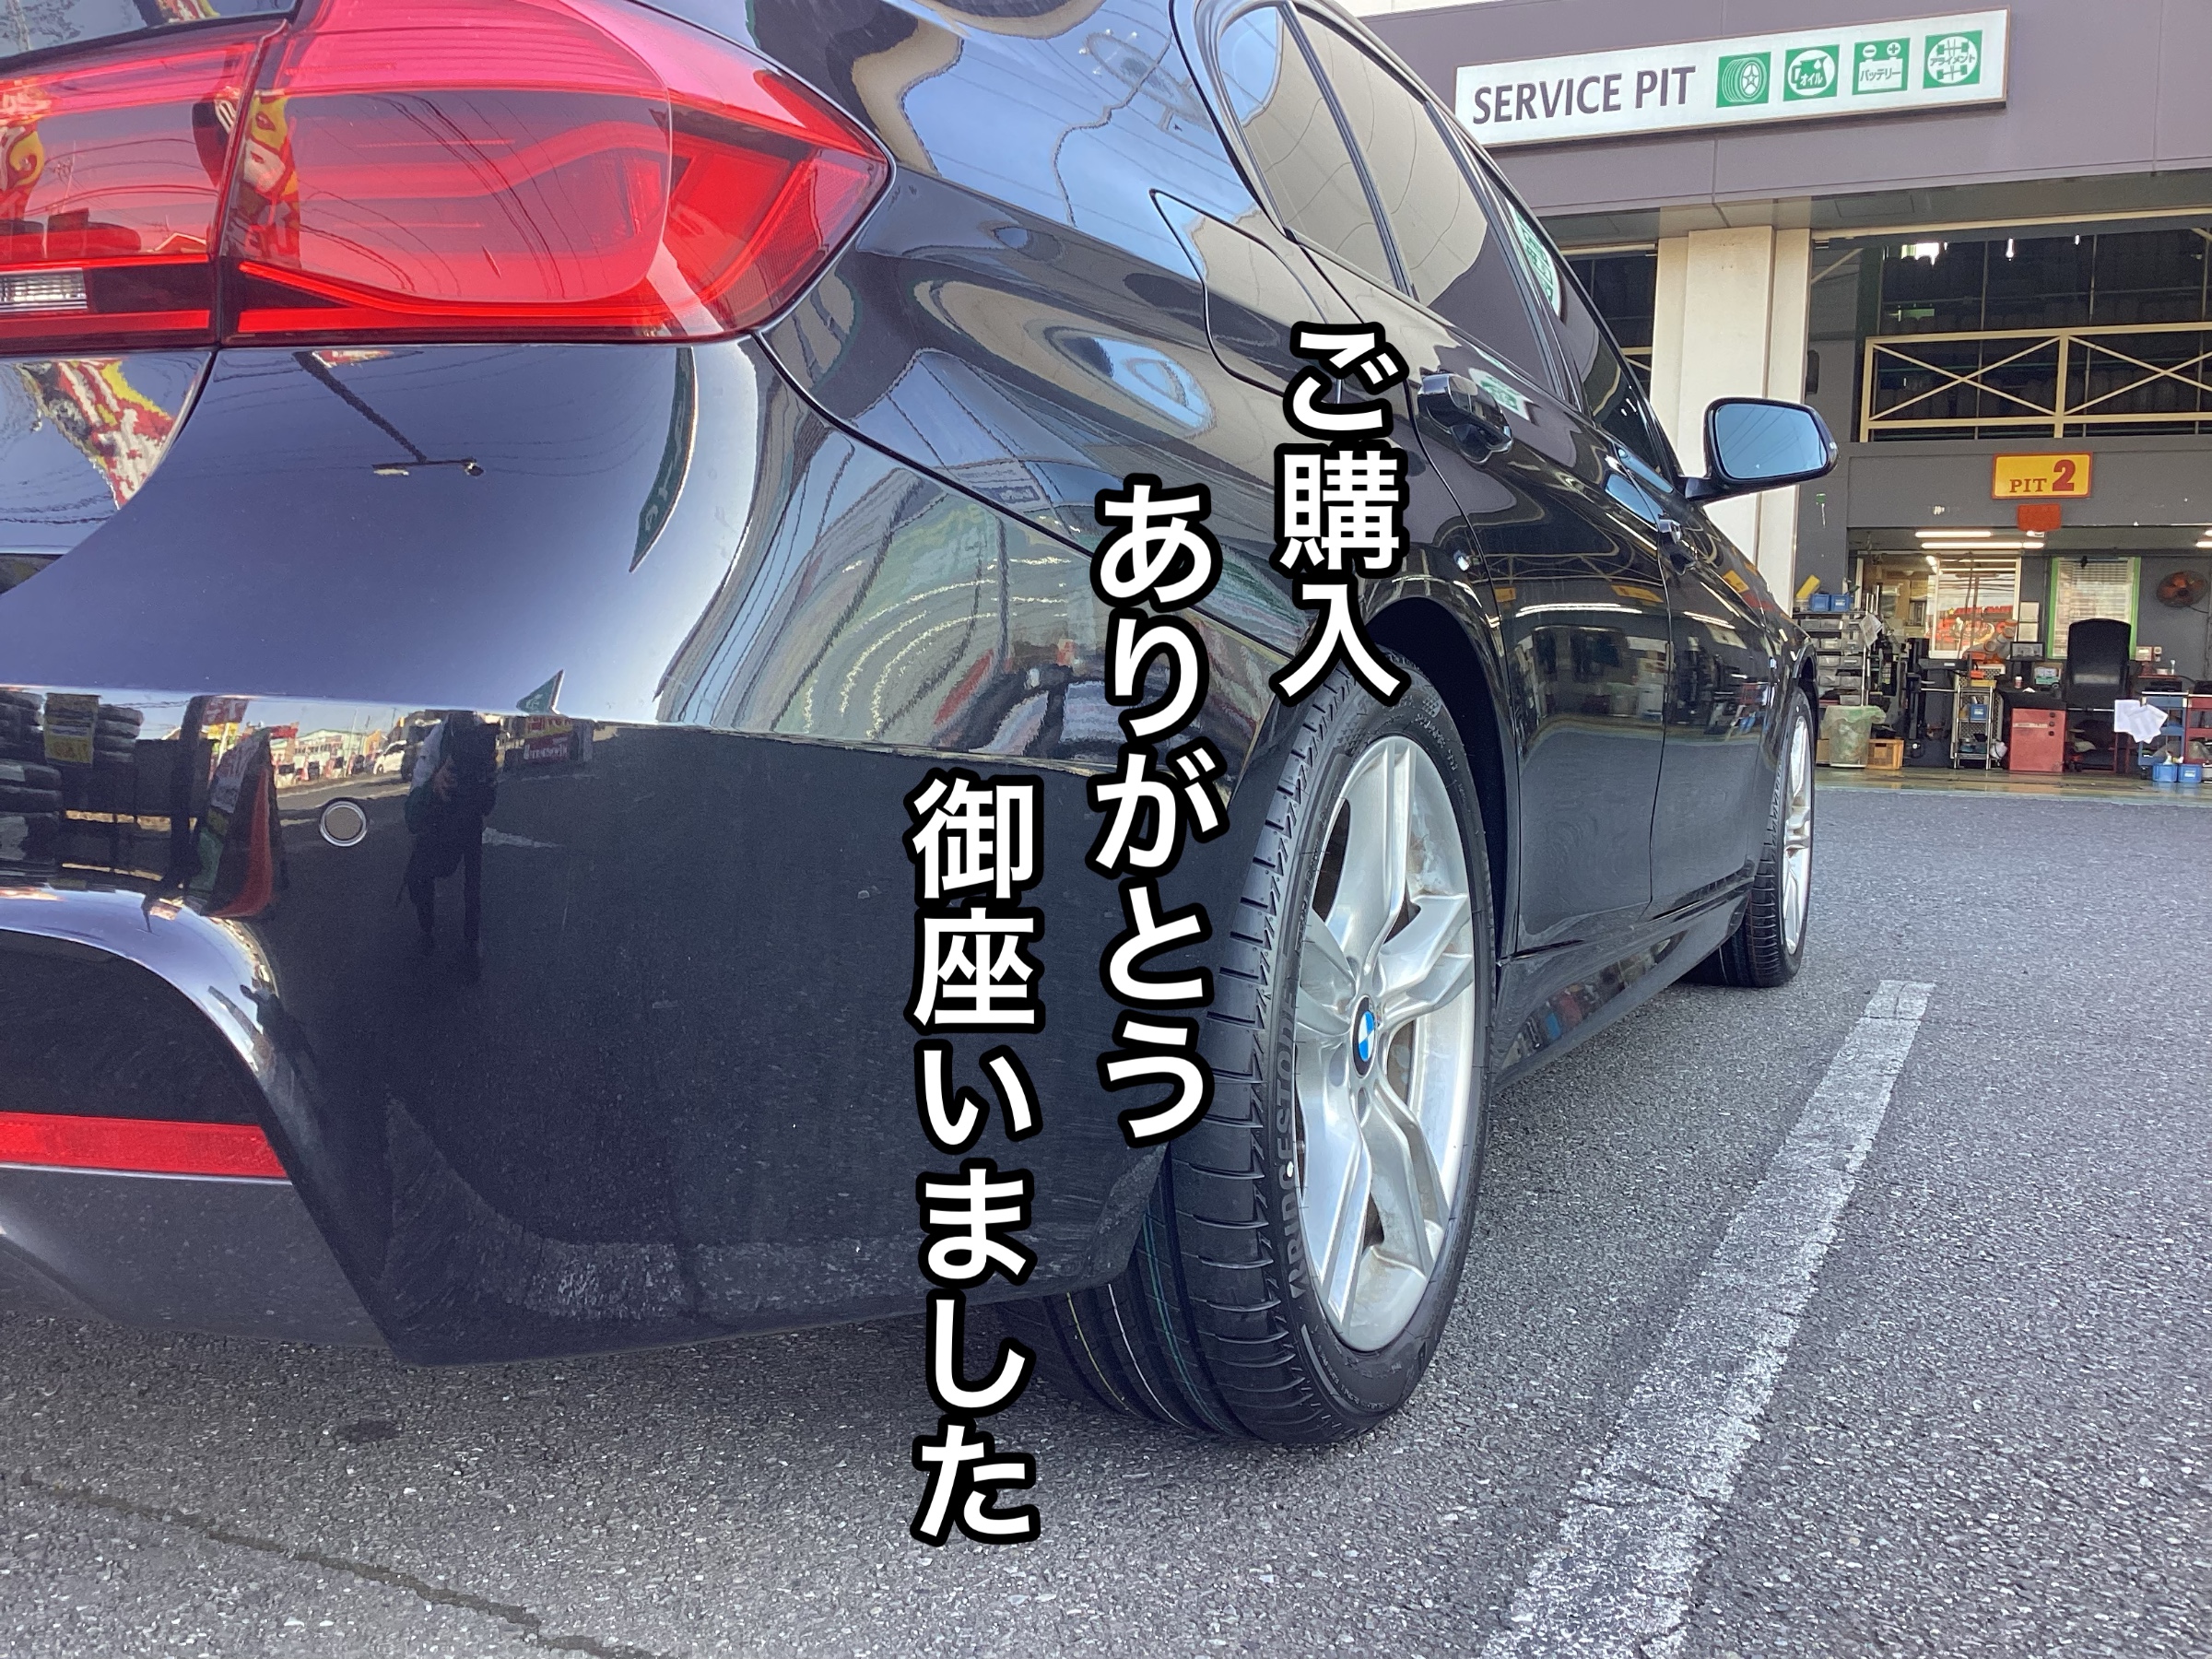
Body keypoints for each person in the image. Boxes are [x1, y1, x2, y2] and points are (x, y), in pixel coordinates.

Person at [402, 714, 498, 978]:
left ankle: (471, 941)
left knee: (473, 884)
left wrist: (488, 778)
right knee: (418, 876)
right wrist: (435, 784)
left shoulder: (483, 735)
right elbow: (411, 815)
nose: (466, 716)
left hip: (469, 817)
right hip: (438, 820)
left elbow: (488, 804)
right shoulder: (436, 741)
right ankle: (426, 930)